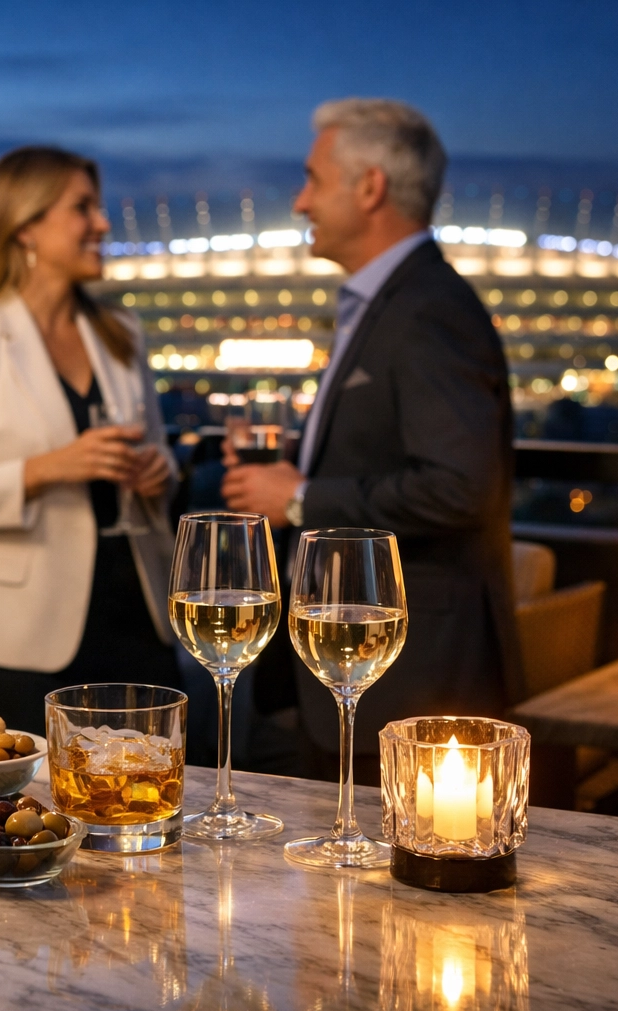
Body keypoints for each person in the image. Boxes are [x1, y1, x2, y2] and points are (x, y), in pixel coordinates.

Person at [221, 98, 522, 780]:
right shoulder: (392, 302)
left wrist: (299, 499)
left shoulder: (427, 309)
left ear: (370, 186)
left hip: (410, 679)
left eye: (312, 179)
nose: (300, 202)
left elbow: (458, 488)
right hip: (358, 672)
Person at [0, 146, 180, 735]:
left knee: (148, 805)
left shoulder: (121, 333)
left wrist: (159, 470)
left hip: (137, 614)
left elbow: (159, 452)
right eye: (84, 208)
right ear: (25, 225)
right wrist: (47, 468)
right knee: (28, 821)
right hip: (14, 638)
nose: (104, 224)